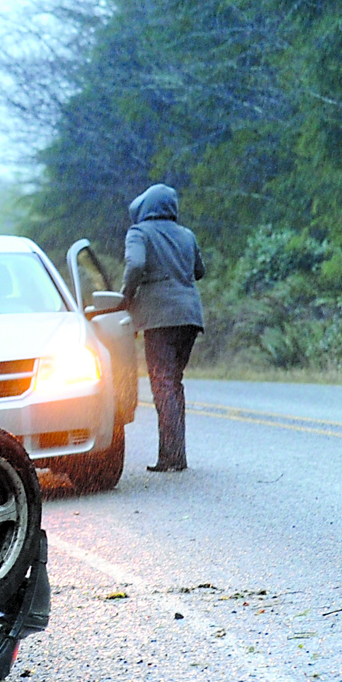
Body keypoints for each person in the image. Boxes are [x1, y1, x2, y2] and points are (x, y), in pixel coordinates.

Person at [121, 183, 205, 472]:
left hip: (160, 318)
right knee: (174, 382)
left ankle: (171, 458)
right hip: (190, 316)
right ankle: (175, 455)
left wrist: (125, 297)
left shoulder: (139, 233)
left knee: (163, 384)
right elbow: (199, 271)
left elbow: (135, 265)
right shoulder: (187, 235)